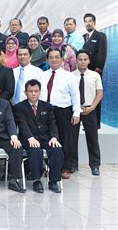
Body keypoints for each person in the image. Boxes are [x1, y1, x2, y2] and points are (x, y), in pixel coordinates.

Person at [13, 79, 64, 193]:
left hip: (46, 139)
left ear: (40, 92)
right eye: (30, 91)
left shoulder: (47, 106)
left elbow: (52, 124)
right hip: (28, 139)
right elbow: (22, 125)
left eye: (36, 91)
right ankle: (37, 181)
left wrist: (54, 137)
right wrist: (30, 138)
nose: (33, 93)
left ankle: (53, 181)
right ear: (25, 92)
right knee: (35, 149)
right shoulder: (19, 107)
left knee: (57, 149)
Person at [40, 49, 81, 179]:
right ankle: (50, 167)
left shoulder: (69, 76)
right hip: (46, 111)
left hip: (64, 111)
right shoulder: (43, 75)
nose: (54, 60)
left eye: (57, 57)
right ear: (47, 60)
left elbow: (75, 95)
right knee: (49, 140)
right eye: (51, 57)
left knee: (65, 140)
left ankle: (65, 168)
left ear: (62, 59)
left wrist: (76, 112)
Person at [73, 50, 103, 176]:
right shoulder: (70, 75)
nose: (83, 62)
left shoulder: (95, 76)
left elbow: (99, 93)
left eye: (85, 59)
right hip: (75, 110)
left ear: (89, 61)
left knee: (92, 138)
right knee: (72, 139)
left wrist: (92, 108)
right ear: (76, 60)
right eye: (80, 59)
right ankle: (73, 165)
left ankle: (95, 165)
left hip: (90, 109)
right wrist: (76, 108)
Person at [82, 13, 107, 126]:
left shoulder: (100, 36)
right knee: (86, 93)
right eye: (86, 21)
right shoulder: (83, 37)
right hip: (84, 69)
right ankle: (86, 120)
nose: (88, 23)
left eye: (90, 21)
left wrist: (99, 68)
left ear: (94, 22)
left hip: (95, 70)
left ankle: (96, 123)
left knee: (96, 94)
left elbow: (102, 53)